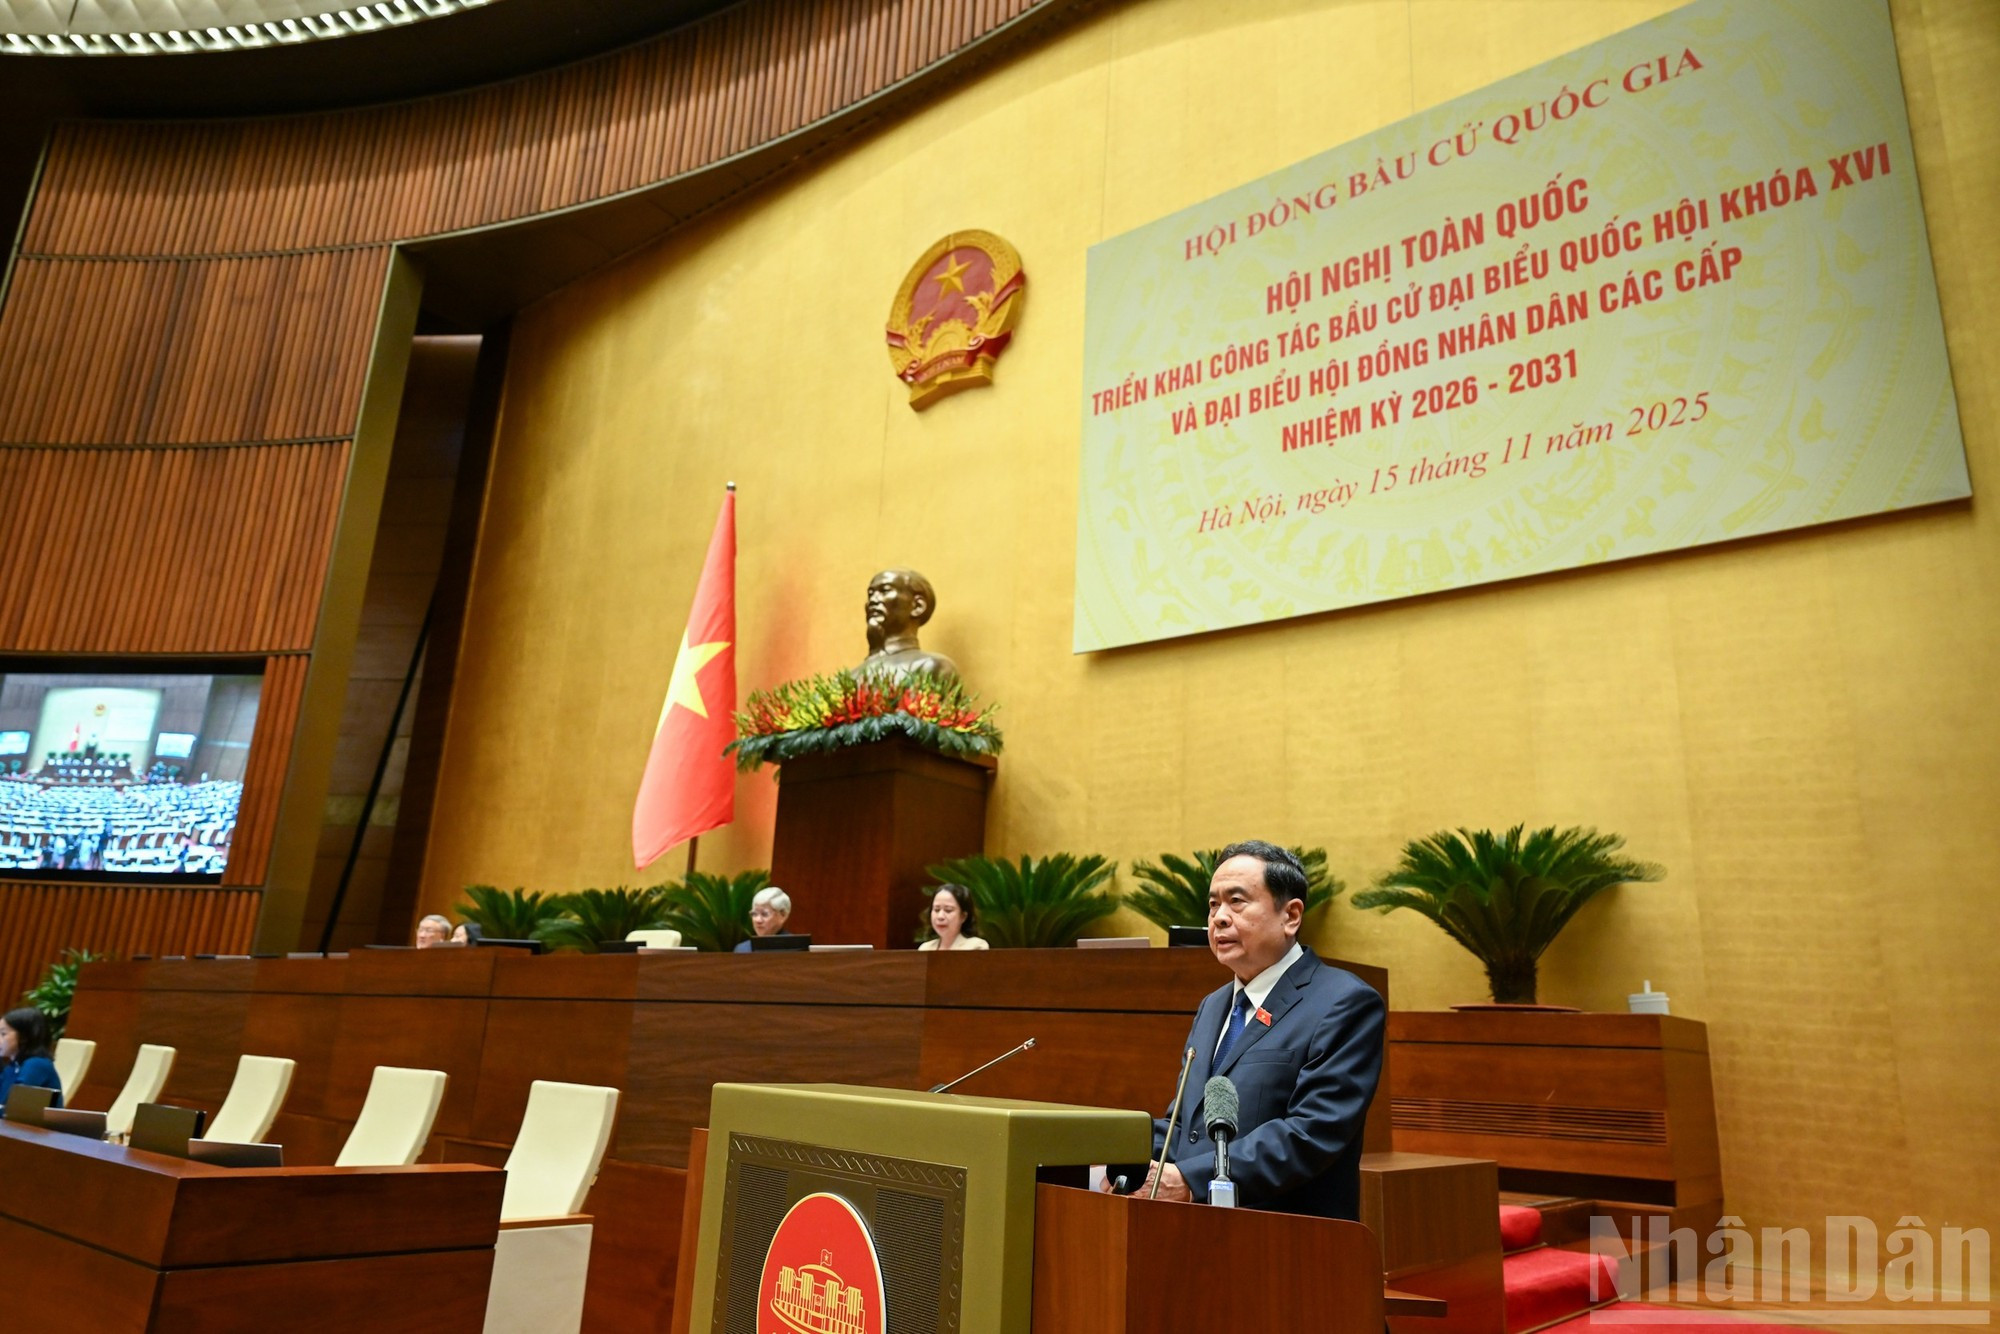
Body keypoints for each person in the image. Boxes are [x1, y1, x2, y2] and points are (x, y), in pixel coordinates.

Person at [1109, 840, 1383, 1221]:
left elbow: (1312, 1133)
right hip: (1195, 1233)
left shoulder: (1343, 1002)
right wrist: (1112, 1160)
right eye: (1212, 905)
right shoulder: (1213, 1005)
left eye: (1236, 901)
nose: (1219, 917)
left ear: (1291, 916)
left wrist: (1191, 1179)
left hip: (1286, 1240)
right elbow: (1185, 1125)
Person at [858, 568, 960, 683]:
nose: (872, 600)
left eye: (885, 591)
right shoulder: (850, 677)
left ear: (918, 606)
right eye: (870, 594)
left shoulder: (930, 667)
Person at [0, 1007, 63, 1109]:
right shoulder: (12, 1066)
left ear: (24, 1037)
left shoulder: (37, 1065)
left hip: (34, 1125)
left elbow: (12, 1108)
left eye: (3, 1034)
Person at [917, 883, 988, 951]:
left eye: (948, 910)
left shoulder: (976, 946)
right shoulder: (925, 948)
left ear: (963, 916)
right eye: (936, 910)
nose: (940, 916)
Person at [733, 887, 795, 951]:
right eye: (754, 914)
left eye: (765, 914)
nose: (758, 920)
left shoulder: (796, 947)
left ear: (783, 915)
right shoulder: (742, 949)